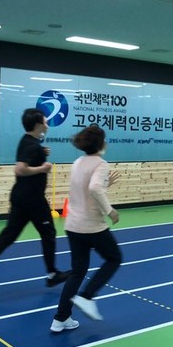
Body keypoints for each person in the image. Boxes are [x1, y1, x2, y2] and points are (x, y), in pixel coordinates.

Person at [0, 108, 70, 297]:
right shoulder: (31, 146)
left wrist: (41, 153)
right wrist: (43, 168)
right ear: (38, 124)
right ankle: (52, 274)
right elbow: (20, 169)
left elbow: (28, 158)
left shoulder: (29, 142)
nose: (47, 124)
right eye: (45, 121)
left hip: (22, 197)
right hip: (32, 199)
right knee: (48, 232)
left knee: (9, 235)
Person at [50, 124, 122, 333]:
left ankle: (61, 318)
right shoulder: (101, 164)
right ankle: (87, 296)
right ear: (100, 143)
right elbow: (94, 188)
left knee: (78, 272)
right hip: (92, 226)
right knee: (114, 258)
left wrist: (106, 185)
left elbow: (87, 189)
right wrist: (110, 211)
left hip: (73, 226)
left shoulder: (78, 162)